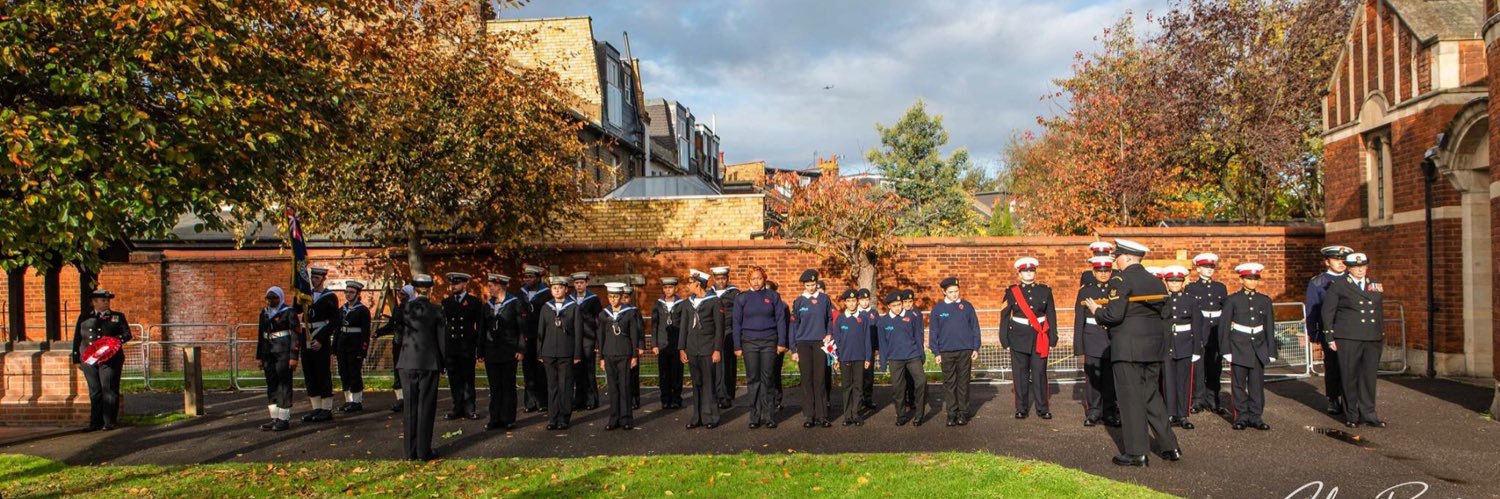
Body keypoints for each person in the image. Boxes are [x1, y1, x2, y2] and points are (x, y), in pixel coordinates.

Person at [1084, 239, 1179, 467]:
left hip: (1128, 349)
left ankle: (1137, 453)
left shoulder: (1121, 279)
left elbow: (1114, 315)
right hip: (1153, 349)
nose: (1115, 261)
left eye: (1117, 257)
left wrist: (1097, 311)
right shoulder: (1156, 282)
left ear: (1126, 257)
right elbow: (1166, 317)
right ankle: (1170, 446)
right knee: (1151, 396)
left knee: (1130, 400)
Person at [1320, 253, 1388, 429]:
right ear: (1348, 267)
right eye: (1356, 267)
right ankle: (1352, 414)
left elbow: (1378, 311)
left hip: (1371, 337)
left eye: (1363, 266)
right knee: (1349, 376)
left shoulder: (1375, 285)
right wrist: (1329, 337)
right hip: (1348, 336)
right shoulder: (1339, 285)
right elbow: (1328, 312)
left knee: (1368, 377)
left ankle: (1369, 413)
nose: (1360, 269)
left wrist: (1380, 333)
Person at [1219, 262, 1276, 431]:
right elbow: (1224, 326)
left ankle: (1256, 416)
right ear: (1242, 279)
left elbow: (1269, 327)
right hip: (1239, 346)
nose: (1252, 282)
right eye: (1249, 278)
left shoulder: (1264, 301)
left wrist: (1271, 350)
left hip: (1258, 347)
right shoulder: (1232, 300)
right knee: (1238, 385)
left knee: (1256, 385)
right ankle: (1241, 416)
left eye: (1255, 279)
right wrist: (1226, 350)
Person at [1001, 257, 1058, 420]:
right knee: (1020, 374)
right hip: (1018, 336)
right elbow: (1004, 315)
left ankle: (1042, 407)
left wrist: (1053, 335)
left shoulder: (1045, 291)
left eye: (1031, 270)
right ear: (1019, 274)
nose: (1029, 273)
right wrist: (1003, 337)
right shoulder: (1011, 292)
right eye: (1025, 271)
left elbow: (1051, 314)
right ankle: (1021, 408)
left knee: (1040, 373)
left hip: (1039, 336)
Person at [397, 274, 446, 461]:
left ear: (415, 289)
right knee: (426, 406)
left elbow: (400, 332)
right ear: (430, 289)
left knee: (409, 407)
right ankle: (423, 451)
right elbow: (441, 339)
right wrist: (443, 363)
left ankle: (409, 452)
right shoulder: (437, 310)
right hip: (428, 363)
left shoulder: (404, 309)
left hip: (407, 362)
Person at [733, 267, 788, 429]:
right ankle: (754, 416)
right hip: (749, 342)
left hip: (769, 342)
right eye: (753, 279)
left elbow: (780, 321)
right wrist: (737, 345)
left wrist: (782, 343)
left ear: (764, 279)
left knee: (768, 379)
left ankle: (769, 415)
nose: (756, 282)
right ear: (748, 280)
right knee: (753, 379)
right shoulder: (741, 299)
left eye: (759, 278)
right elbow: (736, 323)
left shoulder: (773, 296)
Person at [72, 288, 132, 431]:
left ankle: (109, 421)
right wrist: (76, 358)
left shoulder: (117, 316)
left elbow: (127, 334)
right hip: (89, 359)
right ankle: (95, 423)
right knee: (95, 390)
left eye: (107, 300)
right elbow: (77, 338)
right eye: (103, 300)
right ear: (94, 302)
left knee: (109, 389)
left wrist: (114, 342)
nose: (106, 303)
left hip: (110, 358)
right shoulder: (85, 317)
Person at [1307, 245, 1354, 416]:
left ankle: (1351, 399)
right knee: (1332, 365)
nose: (1341, 263)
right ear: (1327, 262)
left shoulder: (1353, 279)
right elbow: (1312, 308)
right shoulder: (1318, 282)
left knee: (1351, 366)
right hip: (1330, 330)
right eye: (1336, 259)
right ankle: (1334, 398)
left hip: (1350, 330)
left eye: (1343, 260)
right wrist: (1314, 332)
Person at [1075, 256, 1120, 428]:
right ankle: (1094, 411)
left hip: (1111, 338)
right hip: (1092, 337)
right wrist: (1079, 345)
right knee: (1093, 378)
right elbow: (1079, 319)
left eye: (1107, 271)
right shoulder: (1086, 291)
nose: (1103, 274)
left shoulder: (1116, 289)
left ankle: (1109, 411)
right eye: (1100, 271)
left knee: (1110, 378)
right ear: (1094, 272)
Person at [930, 276, 980, 427]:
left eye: (956, 291)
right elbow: (934, 332)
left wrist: (975, 347)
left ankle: (963, 413)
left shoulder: (967, 307)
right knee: (949, 383)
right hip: (946, 352)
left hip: (965, 350)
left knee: (963, 383)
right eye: (951, 292)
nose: (954, 294)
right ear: (944, 292)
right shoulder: (938, 309)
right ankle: (951, 414)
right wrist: (936, 352)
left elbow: (975, 328)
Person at [789, 269, 834, 428]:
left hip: (820, 343)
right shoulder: (799, 301)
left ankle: (822, 415)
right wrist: (793, 349)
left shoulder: (824, 299)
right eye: (808, 285)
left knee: (820, 379)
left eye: (813, 284)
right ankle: (809, 415)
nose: (811, 287)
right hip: (803, 343)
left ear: (817, 283)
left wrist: (829, 333)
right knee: (806, 379)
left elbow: (829, 319)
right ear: (804, 285)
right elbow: (794, 326)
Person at [538, 275, 584, 430]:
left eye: (560, 287)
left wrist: (577, 354)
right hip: (549, 352)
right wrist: (539, 352)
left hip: (566, 352)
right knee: (552, 386)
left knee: (565, 386)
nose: (557, 290)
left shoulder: (573, 307)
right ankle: (552, 418)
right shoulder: (546, 307)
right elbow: (541, 331)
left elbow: (578, 332)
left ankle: (564, 417)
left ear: (566, 289)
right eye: (554, 288)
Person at [680, 270, 725, 429]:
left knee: (709, 383)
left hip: (708, 349)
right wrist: (682, 348)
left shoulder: (714, 302)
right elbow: (683, 327)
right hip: (692, 349)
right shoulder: (687, 303)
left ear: (698, 284)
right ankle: (696, 417)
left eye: (690, 282)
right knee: (696, 383)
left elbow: (719, 328)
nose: (688, 285)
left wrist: (717, 349)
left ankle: (711, 416)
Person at [1185, 253, 1228, 415]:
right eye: (1205, 267)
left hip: (1215, 329)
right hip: (1200, 328)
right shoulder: (1191, 288)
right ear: (1198, 269)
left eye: (1211, 267)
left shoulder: (1220, 287)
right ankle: (1198, 399)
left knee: (1215, 366)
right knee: (1199, 366)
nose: (1209, 270)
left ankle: (1214, 399)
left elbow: (1225, 310)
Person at [480, 274, 523, 431]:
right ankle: (495, 418)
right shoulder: (487, 306)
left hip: (509, 350)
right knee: (494, 386)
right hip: (492, 351)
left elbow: (520, 328)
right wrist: (480, 350)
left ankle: (508, 418)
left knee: (508, 385)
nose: (489, 288)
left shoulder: (514, 303)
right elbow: (482, 329)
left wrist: (520, 348)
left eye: (491, 285)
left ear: (499, 286)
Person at [596, 283, 642, 430]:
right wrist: (601, 358)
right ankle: (613, 418)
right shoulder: (604, 314)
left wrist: (634, 356)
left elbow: (634, 335)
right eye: (610, 296)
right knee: (613, 388)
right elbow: (601, 337)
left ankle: (626, 418)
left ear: (622, 297)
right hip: (609, 354)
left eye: (616, 296)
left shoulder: (630, 313)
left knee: (625, 386)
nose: (613, 299)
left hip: (625, 353)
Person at [877, 291, 926, 426]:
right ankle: (901, 415)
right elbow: (882, 343)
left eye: (900, 304)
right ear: (889, 306)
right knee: (898, 388)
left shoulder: (911, 316)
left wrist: (922, 355)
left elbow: (917, 337)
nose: (898, 307)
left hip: (912, 356)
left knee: (921, 382)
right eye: (895, 305)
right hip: (895, 359)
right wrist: (883, 362)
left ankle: (919, 415)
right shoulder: (883, 322)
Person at [256, 286, 300, 431]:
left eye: (274, 298)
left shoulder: (288, 312)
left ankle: (284, 417)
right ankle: (274, 417)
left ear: (280, 298)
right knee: (272, 384)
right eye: (268, 298)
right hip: (268, 352)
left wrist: (294, 356)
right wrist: (260, 357)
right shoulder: (264, 313)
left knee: (284, 384)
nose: (270, 301)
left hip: (283, 351)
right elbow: (260, 334)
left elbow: (295, 334)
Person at [442, 272, 483, 420]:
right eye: (452, 283)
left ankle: (470, 407)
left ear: (465, 284)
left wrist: (479, 346)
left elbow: (479, 326)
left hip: (467, 345)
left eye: (457, 283)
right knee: (454, 379)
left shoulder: (473, 302)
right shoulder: (446, 303)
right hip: (452, 346)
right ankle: (457, 407)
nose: (453, 286)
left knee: (468, 378)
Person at [1160, 266, 1197, 430]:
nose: (1175, 284)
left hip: (1185, 343)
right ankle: (1169, 413)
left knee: (1184, 381)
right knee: (1168, 380)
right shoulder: (1161, 299)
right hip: (1167, 344)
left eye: (1178, 281)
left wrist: (1196, 349)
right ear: (1166, 282)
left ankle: (1183, 414)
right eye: (1171, 281)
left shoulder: (1190, 300)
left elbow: (1197, 326)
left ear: (1183, 282)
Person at [301, 267, 339, 423]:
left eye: (317, 277)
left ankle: (326, 408)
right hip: (306, 337)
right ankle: (315, 407)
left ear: (323, 278)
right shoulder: (304, 295)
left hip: (320, 338)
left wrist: (322, 340)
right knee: (310, 374)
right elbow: (297, 312)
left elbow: (334, 321)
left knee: (322, 373)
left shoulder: (330, 297)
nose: (314, 280)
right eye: (313, 277)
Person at [831, 290, 874, 426]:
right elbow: (836, 341)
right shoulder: (840, 319)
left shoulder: (864, 319)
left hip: (860, 357)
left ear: (857, 301)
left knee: (858, 386)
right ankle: (847, 415)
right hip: (845, 358)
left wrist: (868, 358)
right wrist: (836, 358)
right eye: (848, 301)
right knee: (846, 387)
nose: (851, 303)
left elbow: (867, 339)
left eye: (854, 300)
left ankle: (856, 413)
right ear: (845, 303)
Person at [373, 285, 414, 412]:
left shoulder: (414, 309)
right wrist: (378, 332)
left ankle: (410, 399)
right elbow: (392, 325)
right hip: (398, 344)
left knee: (409, 372)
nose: (400, 296)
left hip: (410, 346)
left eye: (403, 294)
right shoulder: (397, 308)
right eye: (400, 294)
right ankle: (400, 399)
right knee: (397, 371)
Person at [517, 265, 550, 413]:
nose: (527, 279)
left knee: (541, 370)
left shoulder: (546, 293)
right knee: (527, 369)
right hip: (526, 336)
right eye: (525, 277)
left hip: (541, 336)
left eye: (530, 277)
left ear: (538, 278)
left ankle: (543, 401)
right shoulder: (521, 293)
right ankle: (530, 402)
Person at [334, 281, 371, 413]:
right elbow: (337, 329)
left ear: (358, 294)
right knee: (344, 373)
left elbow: (365, 332)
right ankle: (348, 400)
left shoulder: (362, 311)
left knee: (354, 372)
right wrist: (335, 347)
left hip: (355, 346)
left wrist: (363, 349)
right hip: (342, 345)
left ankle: (357, 401)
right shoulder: (342, 310)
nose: (348, 294)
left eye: (351, 292)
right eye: (347, 292)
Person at [653, 277, 688, 409]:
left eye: (671, 287)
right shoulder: (658, 304)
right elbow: (655, 325)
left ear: (676, 288)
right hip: (662, 344)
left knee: (677, 373)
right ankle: (665, 399)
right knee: (664, 374)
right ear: (663, 289)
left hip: (677, 344)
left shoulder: (682, 304)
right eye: (666, 288)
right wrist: (655, 344)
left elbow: (684, 325)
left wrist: (683, 345)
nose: (668, 290)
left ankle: (676, 398)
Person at [570, 272, 602, 411]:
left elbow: (598, 322)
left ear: (587, 283)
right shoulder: (569, 299)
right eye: (577, 283)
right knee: (577, 370)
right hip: (574, 340)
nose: (579, 285)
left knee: (589, 370)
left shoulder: (593, 299)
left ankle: (592, 399)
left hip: (589, 339)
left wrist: (597, 343)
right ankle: (579, 400)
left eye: (581, 283)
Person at [709, 266, 741, 409]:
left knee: (728, 365)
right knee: (715, 366)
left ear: (727, 279)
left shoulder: (735, 294)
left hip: (729, 332)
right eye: (718, 279)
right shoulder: (709, 294)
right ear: (714, 279)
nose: (721, 281)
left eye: (723, 278)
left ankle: (727, 395)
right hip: (713, 334)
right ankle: (716, 394)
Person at [855, 288, 879, 411]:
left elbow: (877, 331)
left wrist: (877, 347)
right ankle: (858, 401)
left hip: (870, 348)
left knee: (869, 376)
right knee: (858, 376)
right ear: (858, 300)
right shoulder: (855, 313)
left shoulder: (874, 313)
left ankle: (868, 399)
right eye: (862, 299)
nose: (864, 302)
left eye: (866, 299)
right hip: (857, 348)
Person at [622, 284, 644, 410]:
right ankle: (625, 400)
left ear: (630, 298)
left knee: (633, 374)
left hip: (633, 346)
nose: (624, 300)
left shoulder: (634, 311)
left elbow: (640, 329)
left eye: (626, 297)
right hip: (621, 346)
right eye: (622, 297)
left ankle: (635, 399)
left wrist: (640, 346)